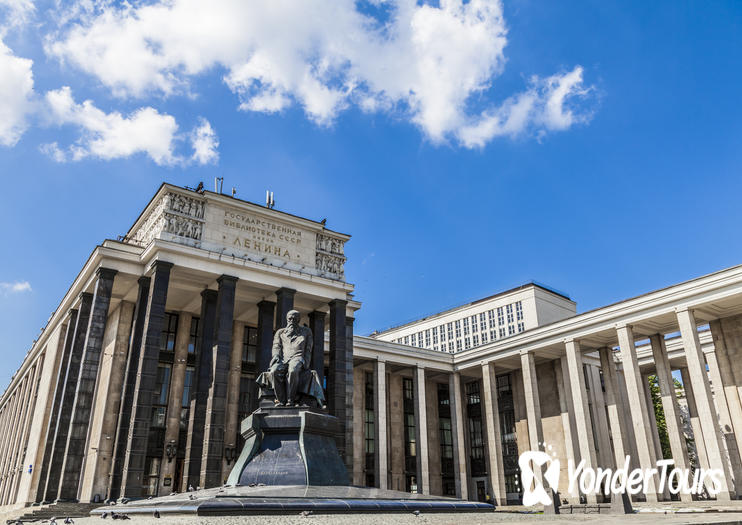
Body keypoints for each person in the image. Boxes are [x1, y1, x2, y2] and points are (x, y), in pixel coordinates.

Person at [256, 310, 325, 407]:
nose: (292, 320)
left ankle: (290, 400)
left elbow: (308, 349)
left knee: (293, 370)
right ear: (287, 319)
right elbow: (276, 346)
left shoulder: (306, 331)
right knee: (274, 371)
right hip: (284, 359)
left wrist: (306, 363)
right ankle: (281, 400)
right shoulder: (280, 332)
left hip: (298, 358)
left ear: (298, 319)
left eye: (295, 318)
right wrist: (275, 356)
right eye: (290, 318)